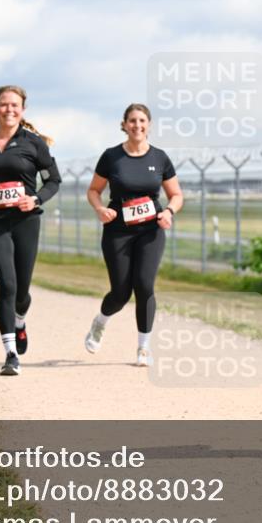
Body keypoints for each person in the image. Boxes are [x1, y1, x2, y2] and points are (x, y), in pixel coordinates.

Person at [0, 85, 61, 376]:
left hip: (25, 222)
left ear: (23, 109)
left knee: (21, 292)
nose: (9, 109)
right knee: (6, 285)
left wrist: (36, 199)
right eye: (4, 104)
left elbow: (53, 181)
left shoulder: (34, 144)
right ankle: (10, 354)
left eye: (14, 105)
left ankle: (20, 320)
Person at [84, 104, 183, 368]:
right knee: (120, 292)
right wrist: (100, 209)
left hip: (150, 230)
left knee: (145, 285)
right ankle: (100, 322)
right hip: (118, 230)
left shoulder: (160, 158)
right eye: (132, 121)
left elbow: (176, 194)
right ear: (124, 124)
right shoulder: (112, 156)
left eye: (141, 121)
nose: (137, 125)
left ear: (148, 124)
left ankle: (143, 348)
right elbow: (93, 190)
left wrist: (169, 212)